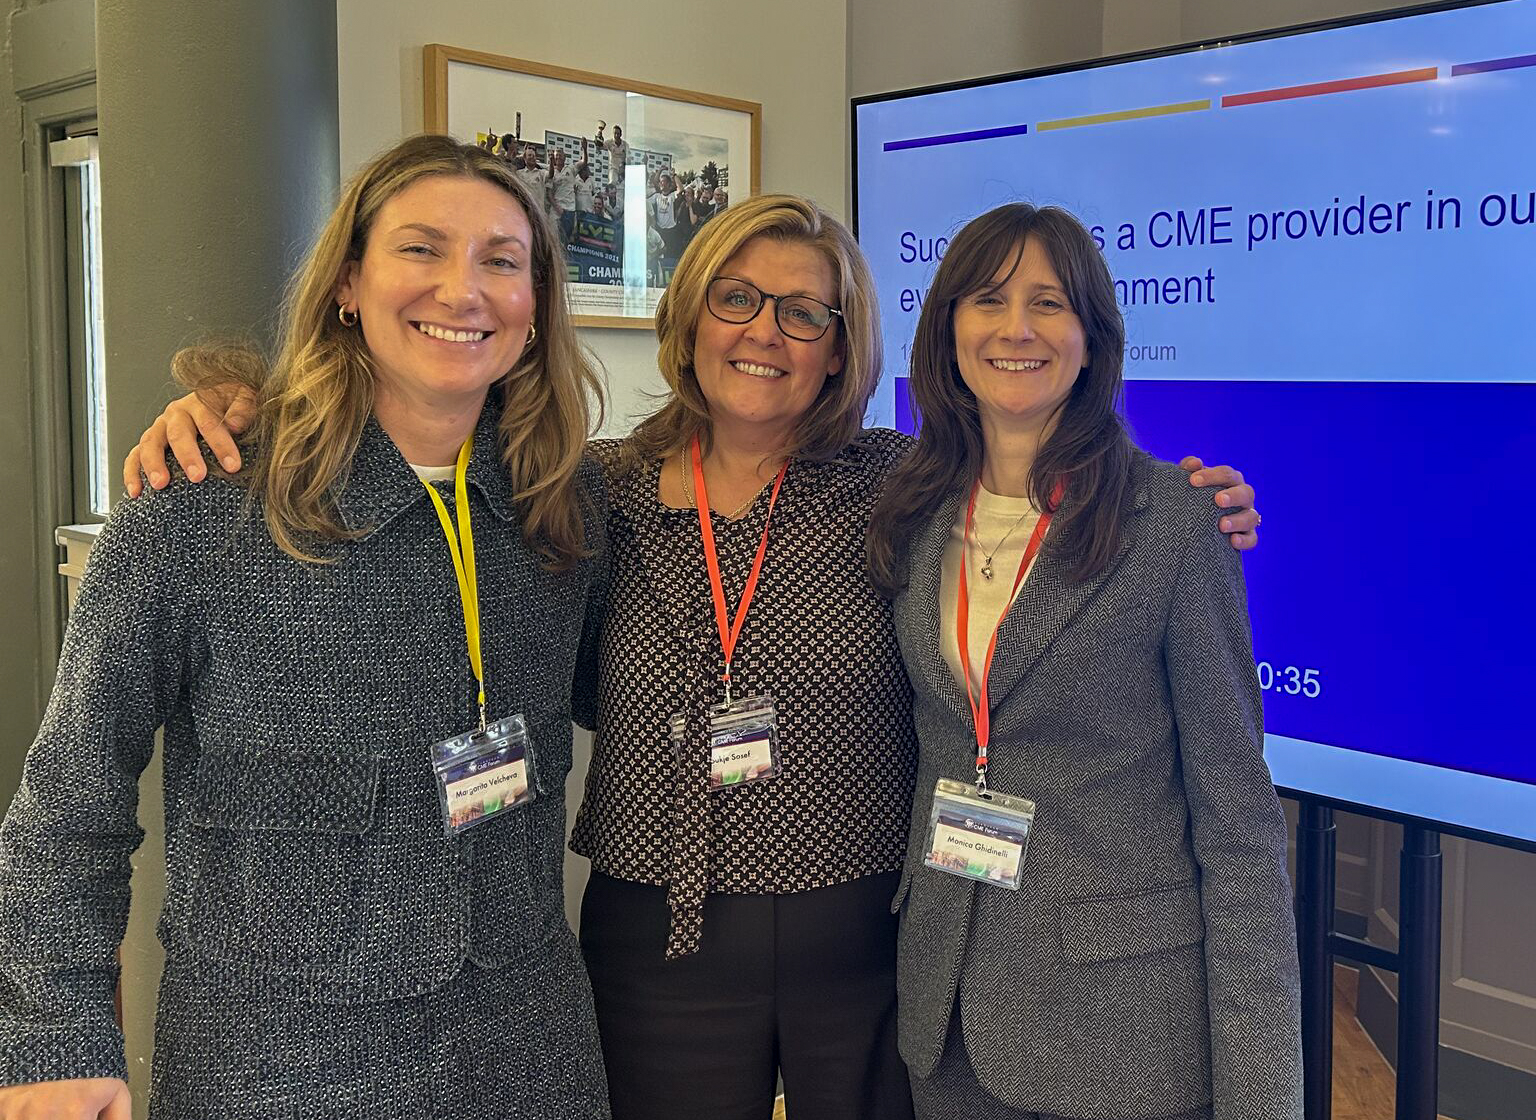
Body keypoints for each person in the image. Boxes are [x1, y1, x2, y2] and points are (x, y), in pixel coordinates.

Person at [124, 194, 1263, 1120]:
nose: (766, 331)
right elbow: (436, 459)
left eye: (805, 313)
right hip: (657, 933)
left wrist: (1180, 497)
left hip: (861, 932)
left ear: (840, 348)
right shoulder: (589, 491)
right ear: (692, 317)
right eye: (737, 298)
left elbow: (1026, 498)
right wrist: (240, 406)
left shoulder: (895, 486)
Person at [0, 135, 612, 1119]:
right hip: (276, 1058)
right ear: (348, 284)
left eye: (501, 260)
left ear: (534, 304)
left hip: (525, 1043)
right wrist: (52, 1037)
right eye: (421, 248)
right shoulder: (201, 503)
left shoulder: (564, 502)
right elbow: (72, 793)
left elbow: (621, 683)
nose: (463, 289)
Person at [866, 204, 1301, 1120]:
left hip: (1122, 1032)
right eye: (989, 299)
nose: (1016, 328)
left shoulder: (1176, 523)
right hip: (947, 1013)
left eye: (1049, 303)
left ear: (1092, 336)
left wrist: (1263, 1095)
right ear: (948, 328)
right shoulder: (911, 511)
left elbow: (1239, 825)